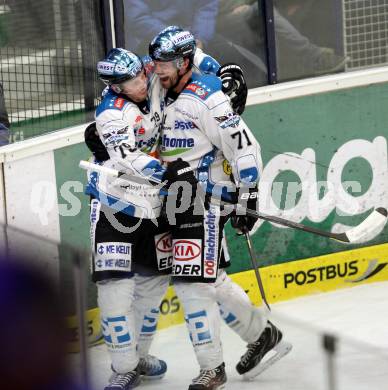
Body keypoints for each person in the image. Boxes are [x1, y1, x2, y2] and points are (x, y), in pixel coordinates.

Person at [85, 44, 247, 390]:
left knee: (152, 286)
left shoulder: (147, 73)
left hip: (157, 205)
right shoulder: (110, 113)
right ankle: (122, 367)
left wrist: (227, 73)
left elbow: (189, 57)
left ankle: (137, 359)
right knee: (115, 287)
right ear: (115, 86)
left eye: (141, 75)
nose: (142, 83)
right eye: (130, 82)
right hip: (117, 205)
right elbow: (127, 159)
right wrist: (169, 170)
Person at [149, 26, 292, 389]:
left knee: (193, 284)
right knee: (209, 279)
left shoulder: (209, 100)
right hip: (174, 200)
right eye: (155, 62)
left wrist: (248, 197)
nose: (156, 69)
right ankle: (263, 336)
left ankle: (212, 368)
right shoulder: (162, 85)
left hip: (204, 201)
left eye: (164, 63)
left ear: (182, 64)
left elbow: (246, 150)